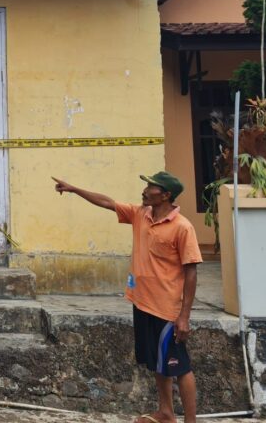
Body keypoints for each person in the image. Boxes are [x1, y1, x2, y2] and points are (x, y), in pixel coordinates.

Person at [52, 171, 202, 423]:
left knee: (180, 367)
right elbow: (108, 203)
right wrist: (74, 189)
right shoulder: (140, 214)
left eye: (151, 187)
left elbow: (191, 272)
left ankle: (190, 421)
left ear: (165, 195)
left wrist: (184, 316)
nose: (144, 190)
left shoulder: (182, 227)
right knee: (157, 363)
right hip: (142, 303)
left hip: (167, 310)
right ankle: (166, 412)